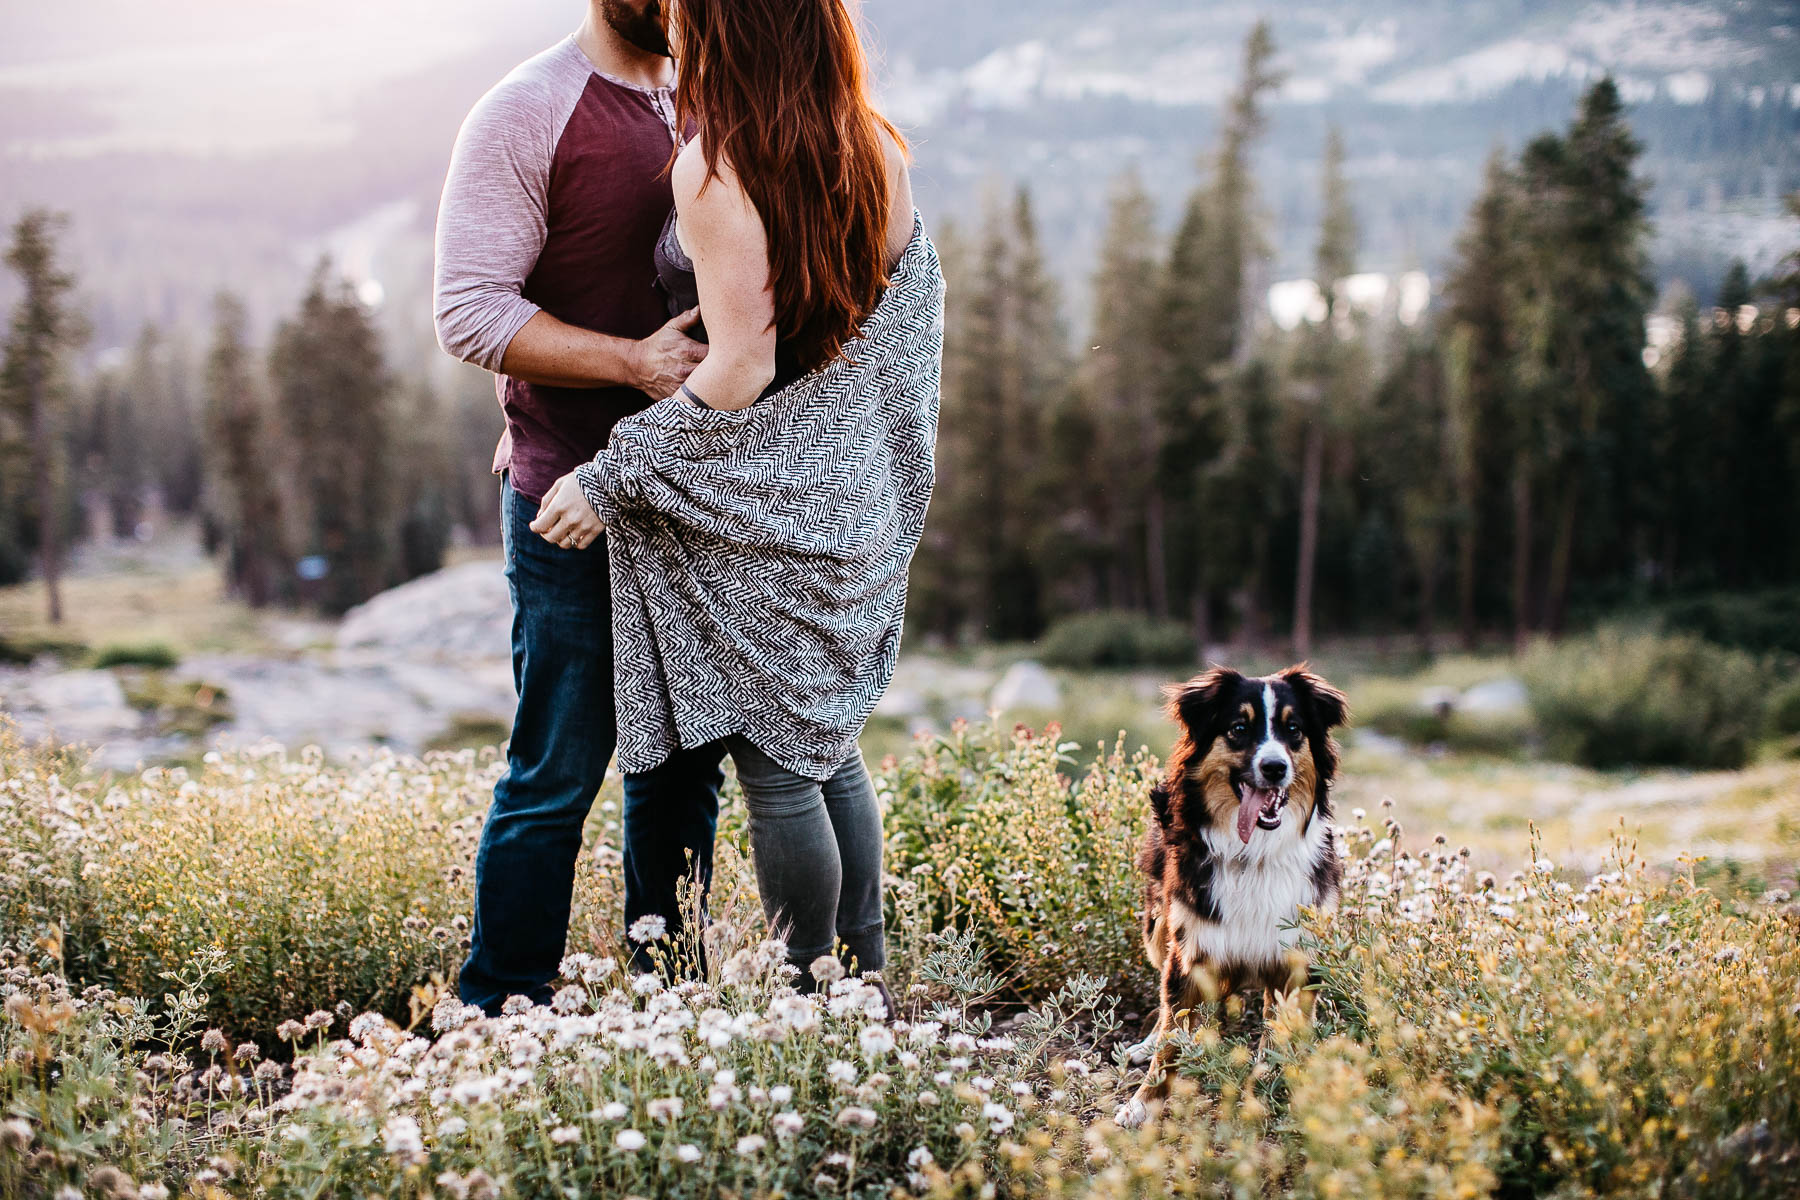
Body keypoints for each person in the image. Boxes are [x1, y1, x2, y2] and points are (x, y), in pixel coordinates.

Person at [529, 0, 943, 996]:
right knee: (827, 747)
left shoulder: (718, 168)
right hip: (848, 498)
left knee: (776, 769)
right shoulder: (873, 144)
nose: (671, 14)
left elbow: (744, 366)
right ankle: (866, 986)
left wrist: (612, 474)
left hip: (763, 509)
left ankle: (812, 992)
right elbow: (892, 325)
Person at [431, 0, 729, 1014]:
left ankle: (669, 1008)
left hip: (694, 497)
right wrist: (633, 364)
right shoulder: (527, 110)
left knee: (682, 773)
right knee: (554, 775)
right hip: (566, 495)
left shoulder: (712, 95)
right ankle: (498, 1011)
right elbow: (469, 310)